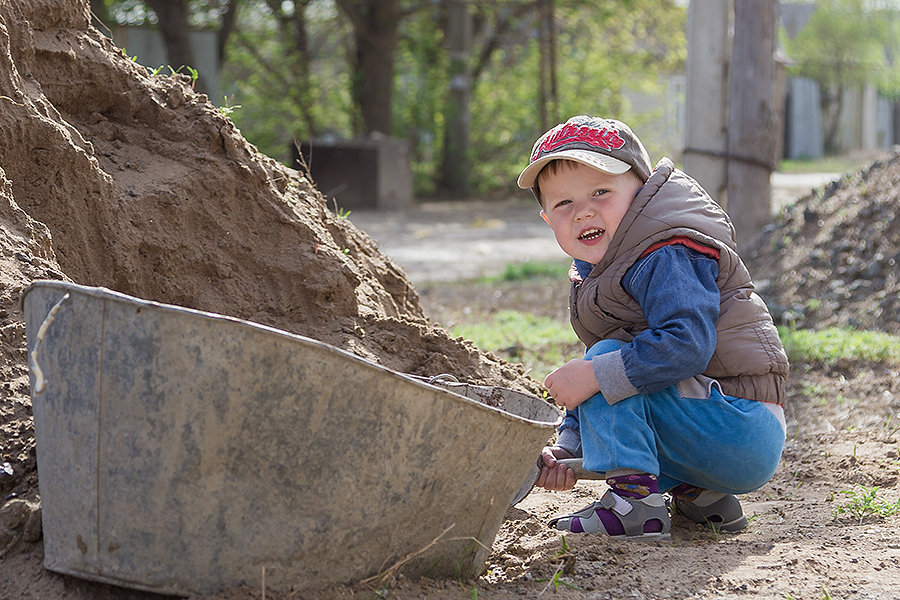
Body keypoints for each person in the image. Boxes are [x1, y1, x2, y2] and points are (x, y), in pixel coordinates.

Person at [516, 115, 788, 540]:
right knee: (608, 362)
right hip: (718, 433)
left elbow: (687, 344)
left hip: (741, 425)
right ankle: (701, 494)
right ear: (548, 220)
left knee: (605, 362)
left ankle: (635, 506)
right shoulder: (606, 269)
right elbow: (618, 378)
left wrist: (591, 374)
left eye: (601, 192)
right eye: (563, 203)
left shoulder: (664, 252)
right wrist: (570, 447)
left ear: (642, 193)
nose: (584, 209)